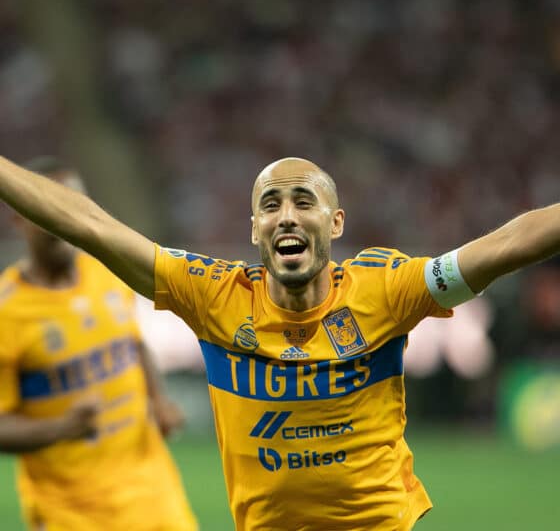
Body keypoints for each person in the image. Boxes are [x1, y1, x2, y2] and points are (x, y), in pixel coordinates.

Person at [0, 154, 556, 531]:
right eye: (270, 205)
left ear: (335, 224)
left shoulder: (390, 290)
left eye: (303, 201)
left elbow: (510, 242)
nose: (286, 215)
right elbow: (92, 226)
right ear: (254, 230)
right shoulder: (212, 296)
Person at [0, 157, 199, 531]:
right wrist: (60, 428)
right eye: (50, 209)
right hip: (72, 515)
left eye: (73, 204)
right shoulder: (6, 312)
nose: (65, 220)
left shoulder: (108, 271)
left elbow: (132, 342)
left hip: (156, 499)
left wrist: (158, 400)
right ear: (20, 217)